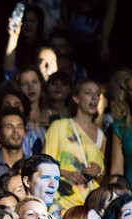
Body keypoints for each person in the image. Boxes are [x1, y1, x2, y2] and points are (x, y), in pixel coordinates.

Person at [44, 80, 106, 210]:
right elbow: (43, 164)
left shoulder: (102, 136)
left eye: (97, 94)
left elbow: (102, 176)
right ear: (76, 98)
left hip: (90, 205)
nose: (94, 98)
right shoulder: (59, 126)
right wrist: (64, 173)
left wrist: (98, 172)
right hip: (62, 203)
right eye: (88, 93)